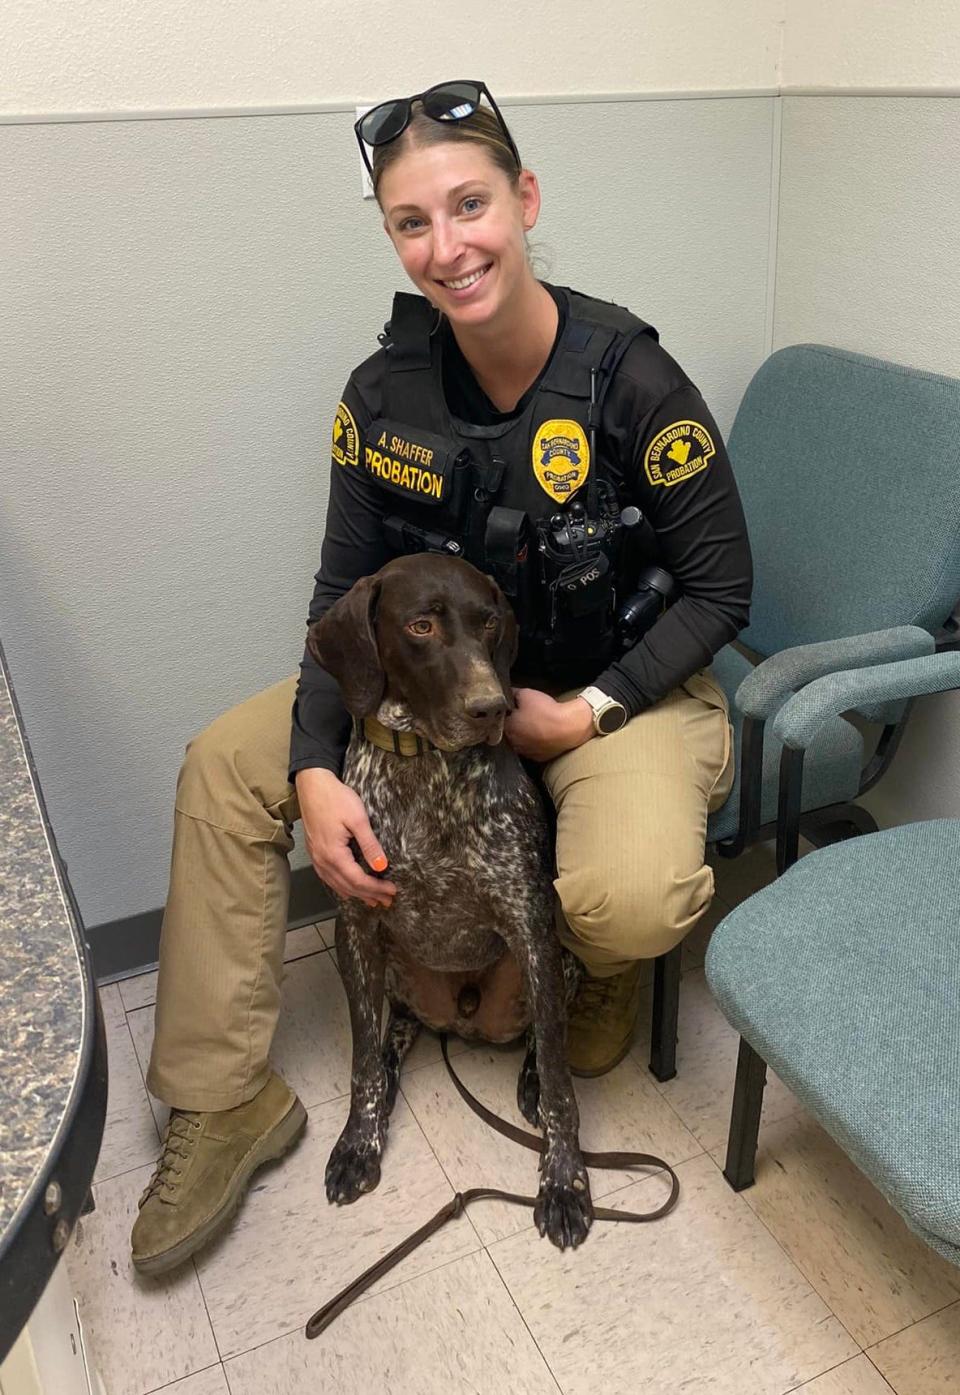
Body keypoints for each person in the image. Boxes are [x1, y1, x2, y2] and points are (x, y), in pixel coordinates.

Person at [131, 80, 752, 1275]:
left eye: (469, 205)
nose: (448, 246)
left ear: (523, 200)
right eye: (413, 221)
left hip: (620, 687)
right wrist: (315, 771)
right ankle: (225, 1102)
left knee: (621, 891)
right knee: (225, 767)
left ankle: (597, 969)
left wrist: (582, 713)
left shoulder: (634, 385)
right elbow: (339, 605)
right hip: (434, 688)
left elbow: (723, 595)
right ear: (391, 236)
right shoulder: (381, 399)